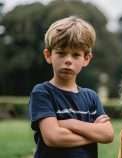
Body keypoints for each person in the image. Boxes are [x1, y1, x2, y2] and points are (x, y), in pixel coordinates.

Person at [28, 16, 114, 158]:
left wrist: (70, 123)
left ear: (86, 59)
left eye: (75, 55)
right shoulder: (42, 92)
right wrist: (94, 133)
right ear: (48, 55)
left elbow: (108, 134)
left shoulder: (91, 97)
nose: (68, 60)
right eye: (61, 53)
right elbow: (54, 137)